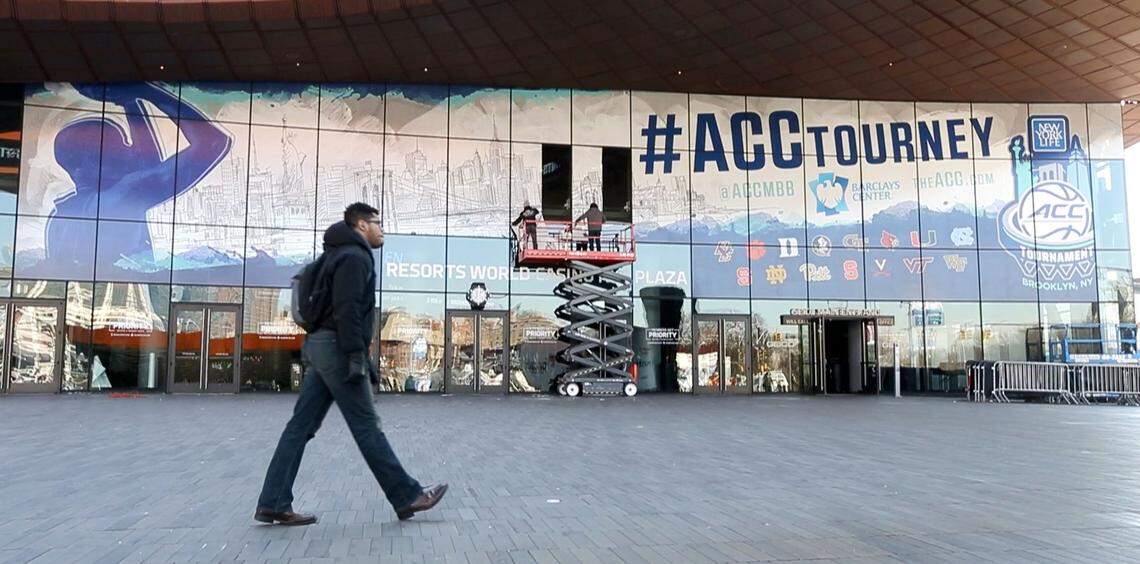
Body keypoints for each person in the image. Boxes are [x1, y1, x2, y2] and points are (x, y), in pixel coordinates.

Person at [255, 203, 448, 526]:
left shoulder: (335, 254)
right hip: (338, 350)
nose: (382, 229)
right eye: (377, 222)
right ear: (361, 225)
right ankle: (406, 495)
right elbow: (347, 309)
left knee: (300, 427)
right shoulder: (354, 258)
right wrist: (356, 356)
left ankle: (272, 501)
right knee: (366, 425)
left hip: (321, 347)